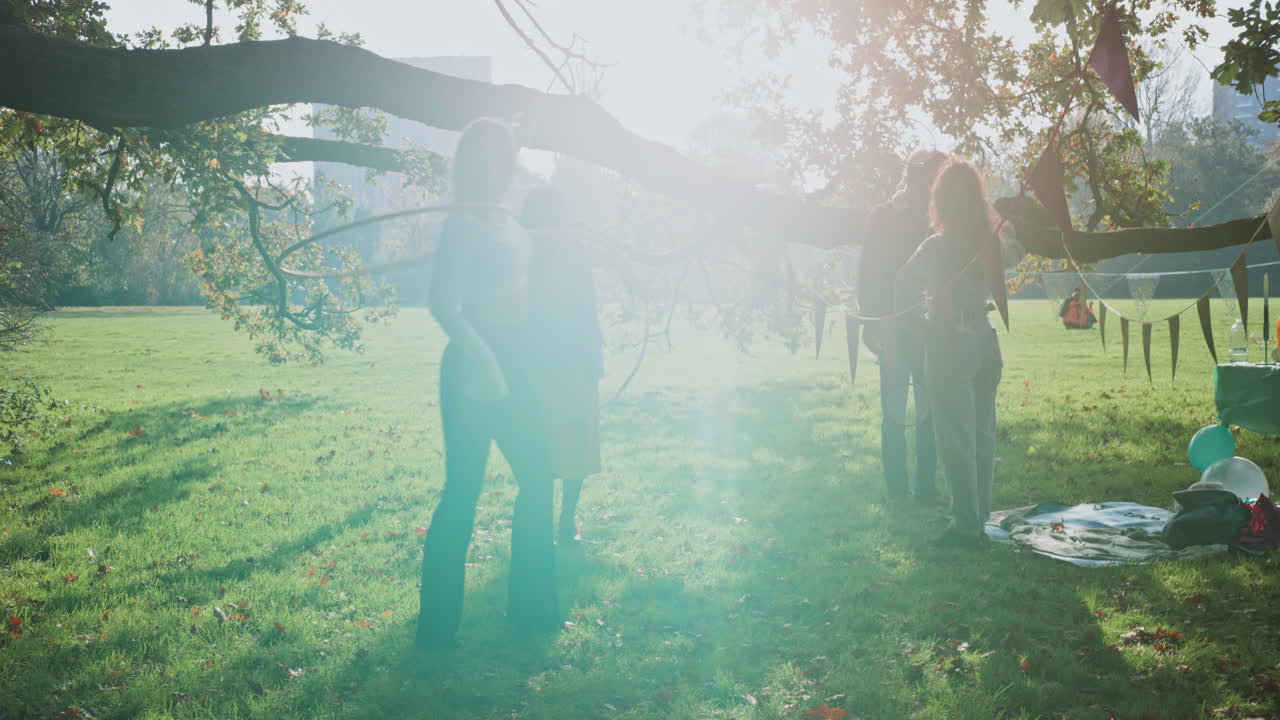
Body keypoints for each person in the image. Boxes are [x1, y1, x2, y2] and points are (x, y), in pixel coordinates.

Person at [417, 118, 559, 650]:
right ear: (482, 163)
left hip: (514, 359)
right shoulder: (463, 223)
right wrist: (487, 364)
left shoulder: (505, 218)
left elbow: (520, 283)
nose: (510, 165)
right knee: (463, 493)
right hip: (474, 366)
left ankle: (533, 611)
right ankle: (435, 632)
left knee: (540, 476)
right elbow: (443, 304)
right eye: (501, 156)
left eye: (512, 155)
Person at [896, 158, 1005, 548]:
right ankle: (979, 515)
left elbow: (901, 286)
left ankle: (966, 525)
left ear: (940, 200)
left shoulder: (937, 245)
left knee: (958, 439)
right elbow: (1011, 261)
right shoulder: (990, 242)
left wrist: (921, 327)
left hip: (950, 344)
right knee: (981, 436)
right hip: (986, 338)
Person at [857, 150, 947, 504]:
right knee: (894, 409)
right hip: (891, 327)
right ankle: (897, 489)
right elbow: (869, 273)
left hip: (929, 326)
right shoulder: (883, 216)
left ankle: (925, 487)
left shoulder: (938, 219)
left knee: (930, 407)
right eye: (933, 178)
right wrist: (872, 321)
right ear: (916, 178)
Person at [520, 186, 604, 545]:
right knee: (567, 444)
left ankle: (559, 521)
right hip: (560, 360)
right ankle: (564, 521)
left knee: (553, 444)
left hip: (552, 361)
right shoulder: (531, 252)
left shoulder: (539, 252)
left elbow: (587, 305)